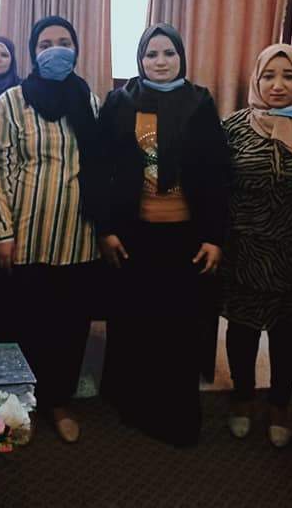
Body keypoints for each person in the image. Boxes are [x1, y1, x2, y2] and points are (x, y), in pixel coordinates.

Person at [96, 23, 226, 447]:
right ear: (140, 59)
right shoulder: (120, 101)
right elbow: (100, 169)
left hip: (185, 236)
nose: (161, 61)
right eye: (151, 54)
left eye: (169, 53)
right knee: (135, 325)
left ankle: (174, 416)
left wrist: (214, 236)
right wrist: (106, 229)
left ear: (181, 57)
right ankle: (134, 407)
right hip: (133, 234)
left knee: (178, 328)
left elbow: (216, 173)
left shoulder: (199, 102)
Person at [0, 15, 101, 445]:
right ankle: (19, 404)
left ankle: (58, 401)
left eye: (64, 42)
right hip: (25, 236)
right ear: (33, 52)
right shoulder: (12, 101)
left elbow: (99, 164)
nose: (56, 50)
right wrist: (2, 232)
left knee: (69, 327)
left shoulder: (87, 99)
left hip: (78, 237)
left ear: (76, 48)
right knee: (23, 324)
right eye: (46, 44)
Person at [221, 44, 292, 448]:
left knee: (287, 333)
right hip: (244, 248)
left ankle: (281, 405)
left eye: (289, 76)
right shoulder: (233, 127)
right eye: (269, 75)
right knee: (243, 330)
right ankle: (242, 399)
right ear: (256, 79)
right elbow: (217, 189)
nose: (278, 85)